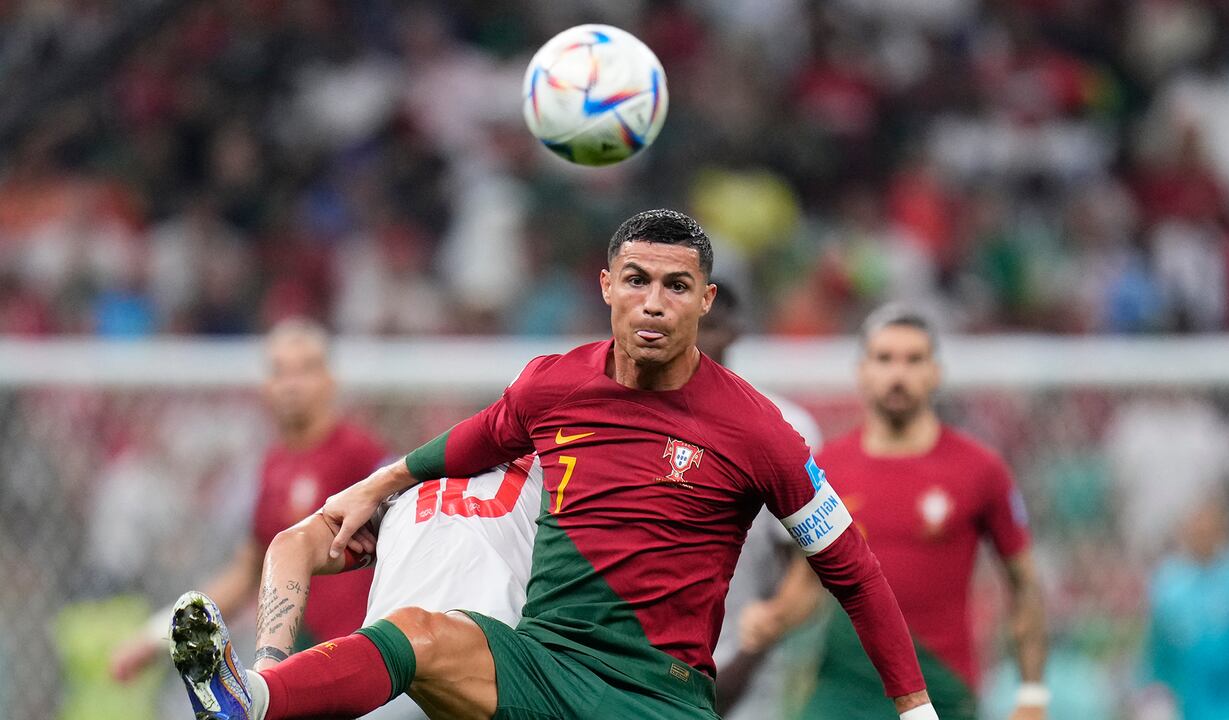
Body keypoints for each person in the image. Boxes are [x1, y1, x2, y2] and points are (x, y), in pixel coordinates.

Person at [167, 209, 937, 720]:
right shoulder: (554, 384)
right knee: (419, 634)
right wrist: (378, 485)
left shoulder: (759, 431)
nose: (654, 302)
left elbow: (853, 570)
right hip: (540, 664)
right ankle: (252, 702)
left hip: (654, 696)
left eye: (676, 286)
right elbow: (472, 442)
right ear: (607, 287)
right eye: (636, 280)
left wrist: (916, 710)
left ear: (705, 300)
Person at [738, 304, 1049, 720]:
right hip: (844, 684)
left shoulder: (981, 470)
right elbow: (808, 583)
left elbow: (1023, 584)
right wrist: (773, 618)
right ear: (863, 371)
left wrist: (1032, 695)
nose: (898, 374)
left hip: (941, 682)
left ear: (935, 372)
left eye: (913, 359)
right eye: (884, 359)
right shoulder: (827, 467)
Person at [112, 318, 385, 683]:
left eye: (306, 369)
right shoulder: (273, 467)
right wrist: (157, 636)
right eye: (280, 371)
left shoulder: (360, 455)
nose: (292, 384)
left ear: (329, 381)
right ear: (266, 386)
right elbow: (249, 572)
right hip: (303, 661)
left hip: (361, 663)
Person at [247, 458, 543, 719]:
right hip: (484, 674)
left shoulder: (399, 483)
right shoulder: (563, 483)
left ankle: (257, 697)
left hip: (375, 682)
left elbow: (293, 544)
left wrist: (268, 673)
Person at [697, 280, 825, 720]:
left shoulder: (786, 426)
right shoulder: (634, 424)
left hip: (748, 681)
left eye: (708, 325)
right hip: (645, 678)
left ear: (734, 330)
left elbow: (809, 565)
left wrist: (746, 661)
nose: (694, 338)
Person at [1141, 497, 1229, 720]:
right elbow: (1159, 654)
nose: (1202, 532)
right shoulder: (1168, 587)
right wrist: (1157, 699)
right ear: (1184, 531)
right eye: (1196, 526)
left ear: (1222, 527)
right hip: (1189, 709)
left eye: (1209, 525)